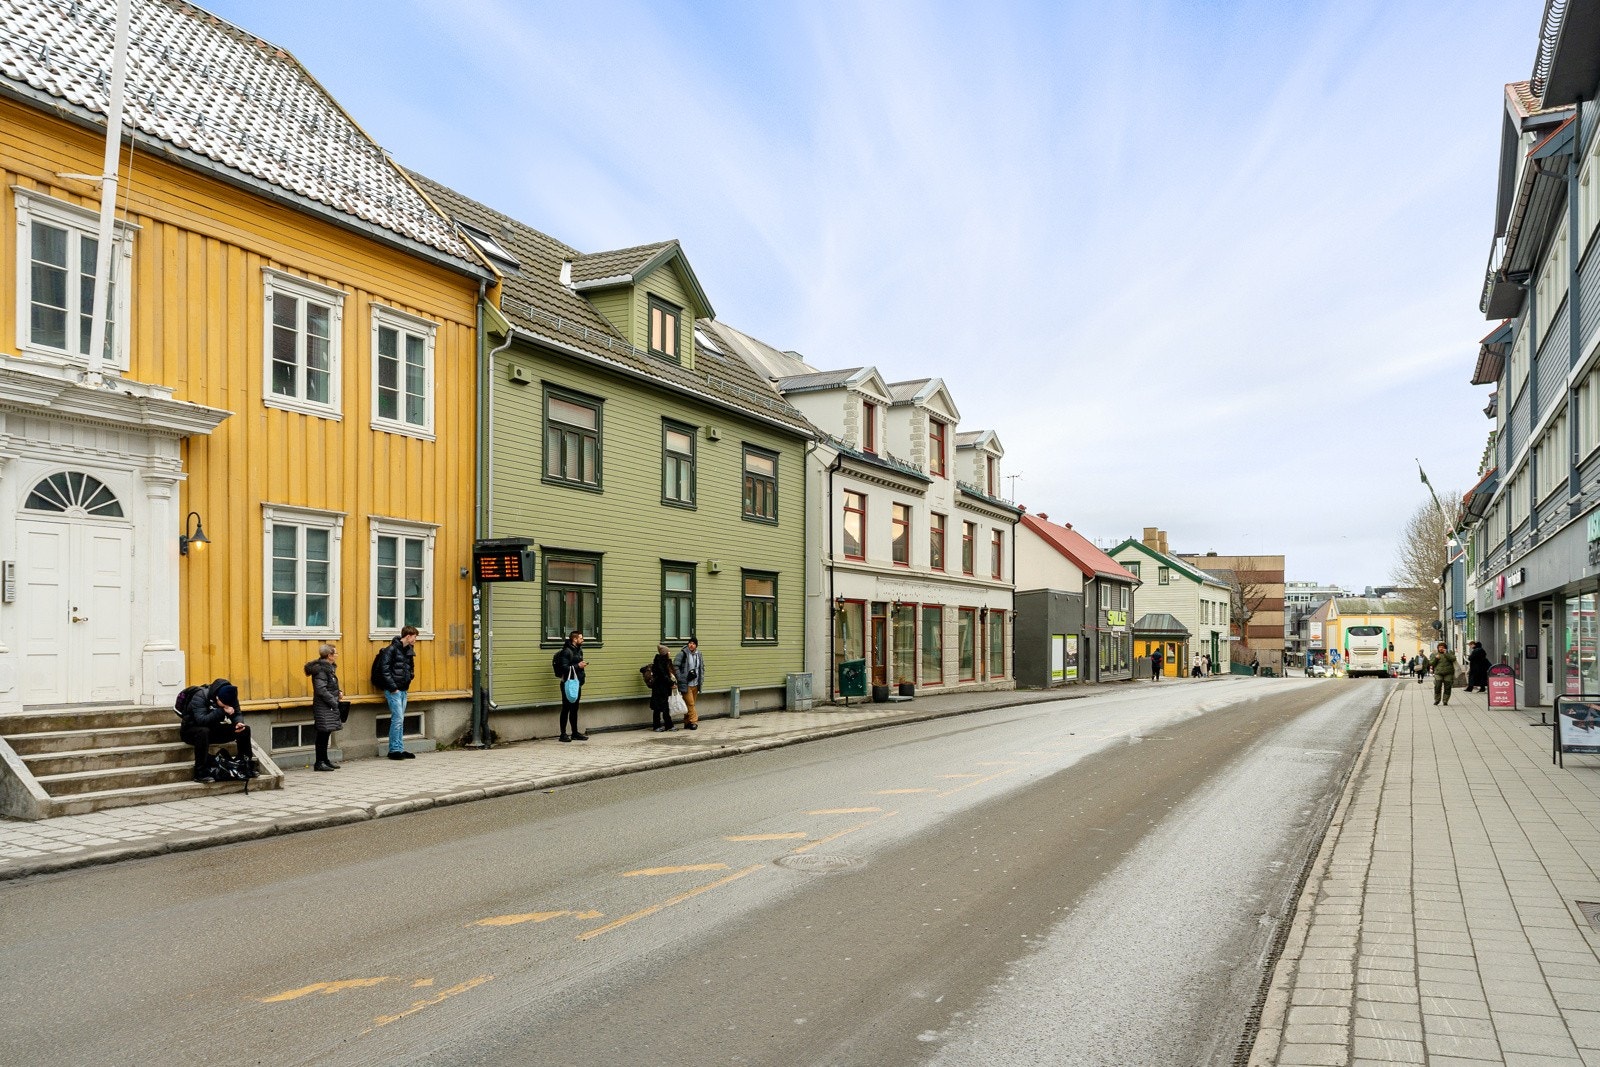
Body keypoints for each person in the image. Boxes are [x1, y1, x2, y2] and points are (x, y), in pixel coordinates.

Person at [179, 678, 256, 783]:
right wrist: (222, 711)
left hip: (213, 729)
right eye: (224, 704)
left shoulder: (230, 696)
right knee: (203, 731)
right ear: (217, 698)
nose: (228, 706)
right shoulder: (200, 696)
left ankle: (244, 764)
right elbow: (201, 720)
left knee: (245, 730)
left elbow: (237, 713)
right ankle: (200, 771)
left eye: (229, 704)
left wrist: (238, 723)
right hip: (191, 731)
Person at [377, 624, 419, 760]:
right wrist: (393, 687)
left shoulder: (409, 650)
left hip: (403, 689)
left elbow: (410, 667)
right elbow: (385, 670)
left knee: (400, 720)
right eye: (414, 637)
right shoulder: (391, 649)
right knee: (398, 719)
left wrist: (410, 678)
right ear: (408, 636)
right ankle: (394, 750)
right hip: (393, 690)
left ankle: (399, 748)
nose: (415, 640)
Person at [304, 643, 343, 771]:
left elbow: (330, 685)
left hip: (327, 704)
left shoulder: (328, 668)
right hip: (323, 705)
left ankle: (325, 760)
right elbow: (321, 689)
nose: (337, 655)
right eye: (335, 653)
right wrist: (333, 701)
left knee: (326, 732)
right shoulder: (321, 669)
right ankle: (319, 762)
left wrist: (338, 692)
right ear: (329, 655)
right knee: (322, 733)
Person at [553, 630, 588, 742]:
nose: (583, 640)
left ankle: (574, 733)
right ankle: (563, 734)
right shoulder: (566, 651)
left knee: (575, 709)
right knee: (566, 708)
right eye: (581, 638)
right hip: (567, 684)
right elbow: (564, 668)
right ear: (574, 639)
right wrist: (578, 666)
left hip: (577, 683)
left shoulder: (579, 650)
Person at [673, 638, 704, 730]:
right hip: (686, 684)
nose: (691, 645)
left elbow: (701, 668)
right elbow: (675, 666)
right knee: (691, 704)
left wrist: (701, 679)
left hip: (695, 683)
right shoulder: (682, 654)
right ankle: (694, 721)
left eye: (693, 643)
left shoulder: (699, 655)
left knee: (689, 704)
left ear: (696, 645)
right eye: (690, 643)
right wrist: (681, 678)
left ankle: (687, 722)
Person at [649, 644, 677, 732]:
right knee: (661, 708)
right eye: (668, 651)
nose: (669, 653)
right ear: (664, 653)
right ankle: (663, 725)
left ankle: (662, 725)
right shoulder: (661, 664)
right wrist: (671, 683)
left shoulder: (662, 662)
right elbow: (664, 676)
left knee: (661, 708)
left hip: (661, 689)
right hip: (660, 689)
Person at [1430, 642, 1457, 706]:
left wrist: (1446, 654)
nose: (1441, 648)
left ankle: (1445, 700)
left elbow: (1453, 659)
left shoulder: (1449, 653)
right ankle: (1437, 700)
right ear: (1438, 648)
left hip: (1448, 673)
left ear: (1445, 648)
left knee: (1447, 687)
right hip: (1438, 673)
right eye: (1440, 647)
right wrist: (1436, 659)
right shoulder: (1434, 654)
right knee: (1437, 686)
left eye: (1442, 647)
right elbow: (1431, 663)